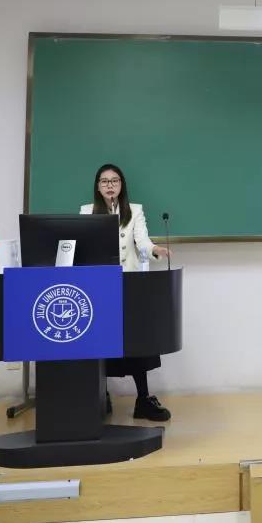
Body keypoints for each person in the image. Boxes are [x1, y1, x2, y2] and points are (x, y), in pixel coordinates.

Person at [80, 163, 171, 422]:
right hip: (99, 287)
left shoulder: (134, 211)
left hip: (129, 285)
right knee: (100, 342)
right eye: (104, 181)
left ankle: (143, 399)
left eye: (115, 181)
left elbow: (142, 241)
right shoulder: (86, 212)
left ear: (122, 185)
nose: (110, 185)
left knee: (137, 342)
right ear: (98, 186)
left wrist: (154, 250)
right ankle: (101, 395)